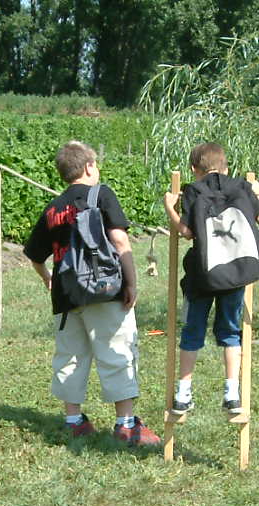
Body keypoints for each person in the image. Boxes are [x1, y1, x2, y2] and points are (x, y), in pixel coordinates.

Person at [23, 140, 160, 446]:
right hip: (104, 289)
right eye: (95, 164)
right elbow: (120, 242)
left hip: (66, 294)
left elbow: (34, 254)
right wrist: (131, 283)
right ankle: (126, 425)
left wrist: (47, 278)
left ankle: (73, 421)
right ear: (88, 167)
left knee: (70, 356)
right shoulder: (102, 195)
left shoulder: (53, 207)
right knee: (117, 351)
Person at [162, 142, 259, 416]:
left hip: (203, 273)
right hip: (236, 272)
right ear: (226, 166)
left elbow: (187, 232)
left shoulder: (193, 190)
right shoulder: (241, 187)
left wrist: (170, 208)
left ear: (194, 169)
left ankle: (183, 394)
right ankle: (232, 394)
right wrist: (257, 194)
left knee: (192, 331)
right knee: (230, 332)